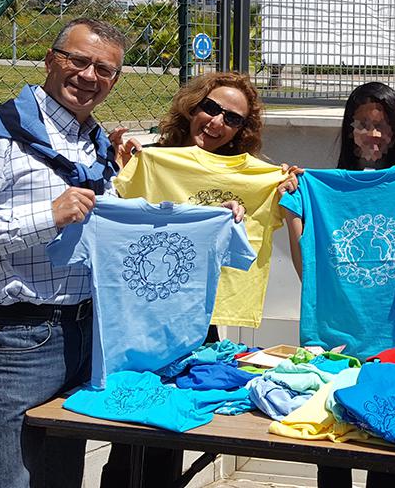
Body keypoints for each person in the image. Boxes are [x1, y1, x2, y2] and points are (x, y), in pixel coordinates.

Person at [0, 18, 126, 488]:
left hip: (87, 334)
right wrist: (47, 216)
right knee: (11, 480)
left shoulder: (93, 144)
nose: (89, 76)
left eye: (104, 69)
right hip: (17, 340)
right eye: (77, 60)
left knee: (60, 477)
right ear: (50, 59)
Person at [103, 71, 298, 487]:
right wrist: (118, 158)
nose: (216, 122)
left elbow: (278, 225)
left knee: (170, 430)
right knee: (124, 431)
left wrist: (286, 189)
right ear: (193, 106)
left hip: (197, 316)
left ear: (242, 130)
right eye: (211, 108)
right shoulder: (152, 160)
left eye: (232, 119)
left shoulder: (259, 178)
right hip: (139, 314)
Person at [283, 81, 395, 488]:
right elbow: (310, 269)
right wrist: (293, 206)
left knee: (384, 451)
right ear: (349, 128)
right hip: (335, 339)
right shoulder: (318, 186)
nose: (373, 134)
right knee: (332, 448)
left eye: (382, 125)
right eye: (363, 124)